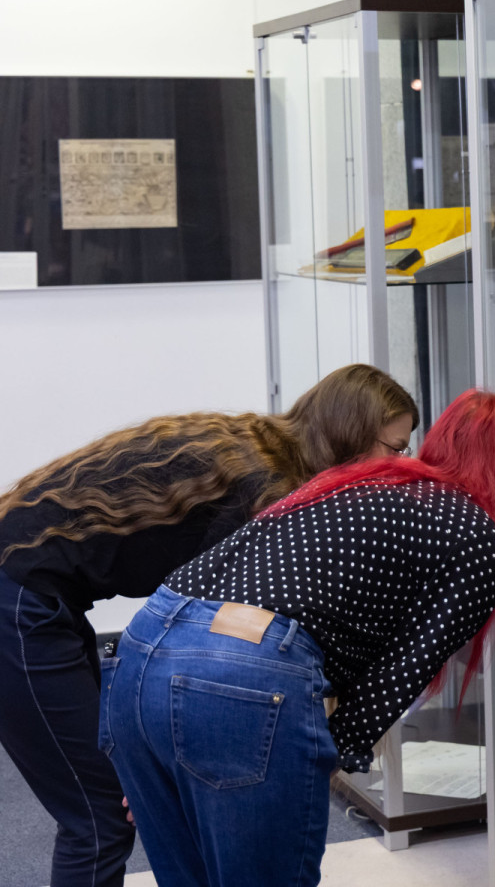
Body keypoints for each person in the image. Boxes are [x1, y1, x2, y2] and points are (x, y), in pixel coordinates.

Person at [100, 389, 495, 886]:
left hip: (140, 651)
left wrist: (157, 744)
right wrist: (320, 758)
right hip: (239, 674)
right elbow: (399, 675)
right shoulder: (481, 540)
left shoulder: (359, 483)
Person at [0, 364, 417, 887]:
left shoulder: (252, 444)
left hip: (35, 588)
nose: (401, 465)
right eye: (395, 448)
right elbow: (211, 641)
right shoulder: (267, 490)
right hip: (19, 597)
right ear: (350, 432)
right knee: (99, 820)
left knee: (110, 792)